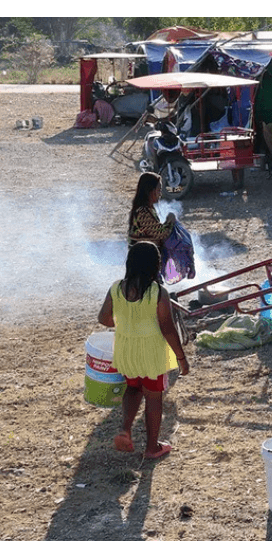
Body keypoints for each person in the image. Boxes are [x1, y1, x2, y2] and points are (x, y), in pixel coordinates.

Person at [98, 241, 189, 459]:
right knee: (153, 397)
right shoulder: (158, 293)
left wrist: (124, 324)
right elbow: (167, 328)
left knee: (133, 388)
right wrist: (181, 358)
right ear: (156, 266)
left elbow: (103, 318)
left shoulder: (116, 288)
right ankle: (152, 447)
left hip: (127, 351)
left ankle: (125, 430)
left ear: (129, 263)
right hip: (151, 354)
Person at [128, 172, 176, 251]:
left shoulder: (148, 210)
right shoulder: (143, 212)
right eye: (159, 190)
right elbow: (161, 234)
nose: (160, 194)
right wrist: (170, 221)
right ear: (150, 191)